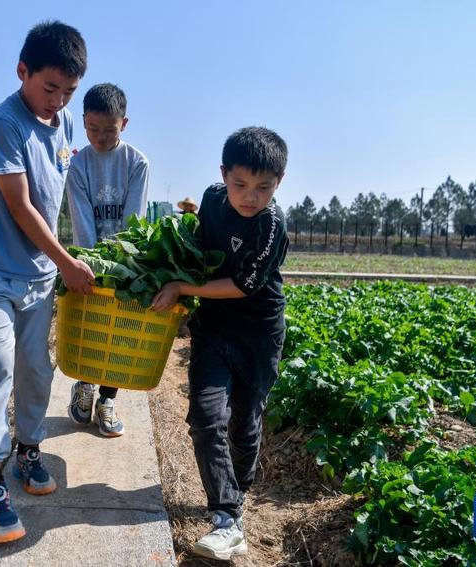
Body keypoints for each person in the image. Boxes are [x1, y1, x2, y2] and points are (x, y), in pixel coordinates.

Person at [0, 20, 94, 545]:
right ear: (22, 72)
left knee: (37, 368)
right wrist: (66, 261)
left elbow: (61, 189)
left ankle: (29, 449)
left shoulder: (61, 126)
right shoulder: (3, 125)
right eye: (49, 88)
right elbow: (22, 207)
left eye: (68, 92)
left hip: (38, 275)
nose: (57, 101)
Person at [151, 126, 289, 561]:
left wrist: (182, 287)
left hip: (258, 334)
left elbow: (244, 286)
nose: (250, 196)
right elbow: (195, 244)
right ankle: (227, 518)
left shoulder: (271, 224)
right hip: (212, 329)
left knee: (244, 424)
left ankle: (239, 491)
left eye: (264, 187)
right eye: (240, 185)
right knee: (207, 417)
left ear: (278, 184)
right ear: (224, 175)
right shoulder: (211, 199)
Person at [64, 83, 149, 437]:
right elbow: (82, 220)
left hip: (124, 262)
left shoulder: (136, 163)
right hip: (89, 261)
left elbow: (134, 221)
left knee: (119, 332)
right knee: (91, 327)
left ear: (124, 124)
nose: (100, 136)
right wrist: (91, 266)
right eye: (93, 129)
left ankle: (108, 400)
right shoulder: (78, 163)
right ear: (84, 122)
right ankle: (84, 385)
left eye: (109, 130)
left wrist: (118, 266)